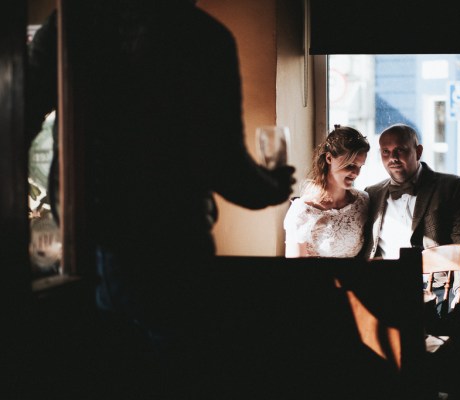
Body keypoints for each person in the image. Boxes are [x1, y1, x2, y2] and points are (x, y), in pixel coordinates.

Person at [27, 1, 295, 395]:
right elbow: (222, 165)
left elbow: (18, 111)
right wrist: (271, 188)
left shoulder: (72, 21)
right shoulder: (203, 36)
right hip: (171, 244)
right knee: (180, 371)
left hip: (82, 244)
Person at [361, 123, 460, 308]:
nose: (393, 158)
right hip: (386, 287)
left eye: (400, 150)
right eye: (386, 151)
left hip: (438, 288)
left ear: (418, 151)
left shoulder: (453, 187)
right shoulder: (372, 193)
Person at [284, 125, 370, 258]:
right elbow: (294, 271)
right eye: (351, 165)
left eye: (360, 166)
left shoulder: (363, 201)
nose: (356, 173)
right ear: (329, 158)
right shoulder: (302, 211)